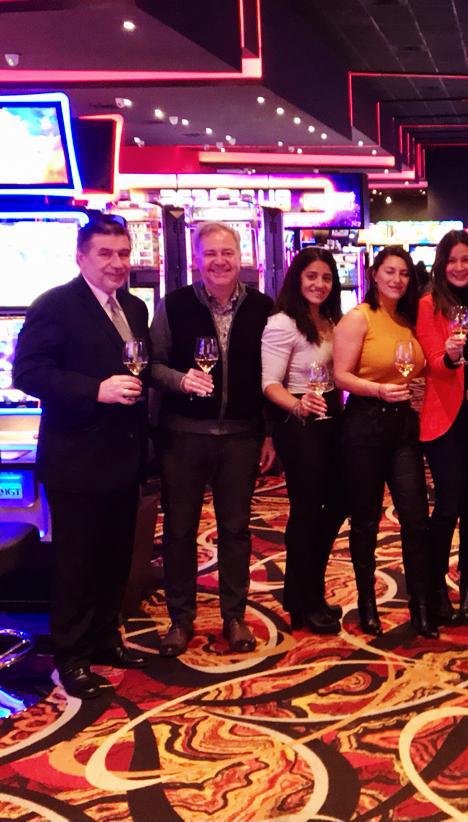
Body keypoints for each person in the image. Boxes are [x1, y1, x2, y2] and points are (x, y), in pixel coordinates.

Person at [13, 216, 150, 699]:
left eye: (123, 253)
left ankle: (105, 639)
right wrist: (96, 390)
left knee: (115, 557)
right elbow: (28, 373)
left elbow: (142, 368)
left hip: (124, 453)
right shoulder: (54, 305)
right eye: (105, 254)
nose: (116, 263)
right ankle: (70, 657)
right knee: (77, 563)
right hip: (76, 458)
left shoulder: (134, 306)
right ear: (81, 257)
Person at [151, 222, 275, 657]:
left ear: (242, 257)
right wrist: (180, 380)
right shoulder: (174, 304)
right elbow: (152, 365)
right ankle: (180, 618)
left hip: (241, 436)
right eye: (210, 253)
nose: (219, 261)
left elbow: (269, 377)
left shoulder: (264, 307)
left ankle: (234, 616)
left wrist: (268, 433)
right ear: (196, 260)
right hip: (183, 435)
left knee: (236, 530)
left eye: (227, 252)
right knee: (179, 531)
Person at [333, 245, 435, 638]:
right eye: (390, 271)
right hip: (365, 424)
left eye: (404, 273)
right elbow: (341, 375)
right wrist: (378, 390)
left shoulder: (408, 320)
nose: (397, 279)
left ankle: (421, 606)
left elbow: (420, 369)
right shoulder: (359, 318)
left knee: (416, 518)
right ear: (374, 274)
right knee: (366, 520)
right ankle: (367, 604)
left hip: (404, 427)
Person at [261, 247, 347, 634]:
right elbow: (269, 383)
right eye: (312, 276)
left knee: (338, 501)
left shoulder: (329, 318)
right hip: (299, 420)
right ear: (297, 278)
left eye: (326, 277)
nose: (319, 284)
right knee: (307, 510)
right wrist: (298, 406)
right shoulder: (282, 323)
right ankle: (303, 599)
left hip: (330, 415)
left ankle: (308, 589)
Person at [416, 230, 468, 625]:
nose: (459, 267)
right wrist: (450, 357)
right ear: (441, 264)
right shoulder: (430, 304)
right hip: (447, 417)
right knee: (449, 503)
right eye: (452, 260)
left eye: (466, 259)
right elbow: (433, 360)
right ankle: (434, 587)